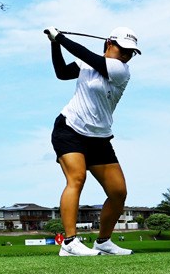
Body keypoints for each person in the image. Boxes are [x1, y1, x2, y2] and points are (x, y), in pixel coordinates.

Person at [45, 26, 140, 257]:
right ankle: (69, 242)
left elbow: (87, 55)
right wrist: (54, 44)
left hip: (99, 137)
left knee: (118, 192)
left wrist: (61, 37)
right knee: (76, 178)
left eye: (131, 52)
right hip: (70, 129)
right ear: (110, 43)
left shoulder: (120, 70)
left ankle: (104, 242)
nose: (127, 55)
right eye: (123, 49)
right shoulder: (89, 64)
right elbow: (61, 73)